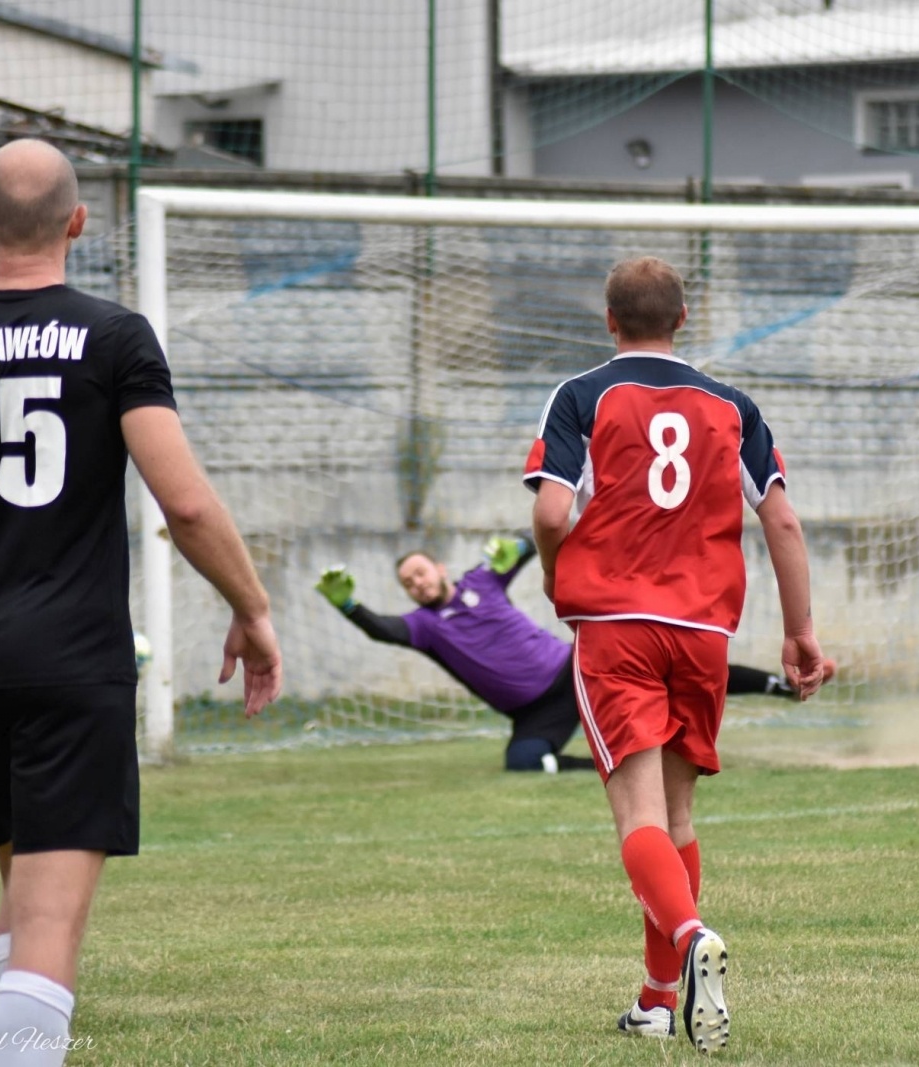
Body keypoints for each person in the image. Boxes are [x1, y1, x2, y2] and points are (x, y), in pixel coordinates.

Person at [0, 139, 282, 1067]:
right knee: (50, 918)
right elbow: (186, 503)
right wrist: (251, 608)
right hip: (69, 658)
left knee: (24, 879)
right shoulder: (114, 337)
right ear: (79, 223)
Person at [524, 256, 824, 1054]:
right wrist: (800, 631)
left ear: (609, 320)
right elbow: (783, 522)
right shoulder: (732, 405)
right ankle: (658, 1001)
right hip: (702, 632)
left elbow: (551, 512)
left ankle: (690, 935)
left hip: (617, 624)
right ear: (684, 319)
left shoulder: (582, 395)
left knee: (639, 817)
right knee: (679, 816)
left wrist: (557, 573)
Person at [313, 535, 834, 773]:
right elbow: (382, 629)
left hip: (573, 671)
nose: (417, 584)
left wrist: (512, 547)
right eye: (408, 582)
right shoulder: (423, 627)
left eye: (421, 573)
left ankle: (780, 686)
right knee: (522, 762)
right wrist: (348, 605)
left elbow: (527, 542)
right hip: (534, 712)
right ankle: (601, 766)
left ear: (440, 569)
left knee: (680, 673)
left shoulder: (480, 581)